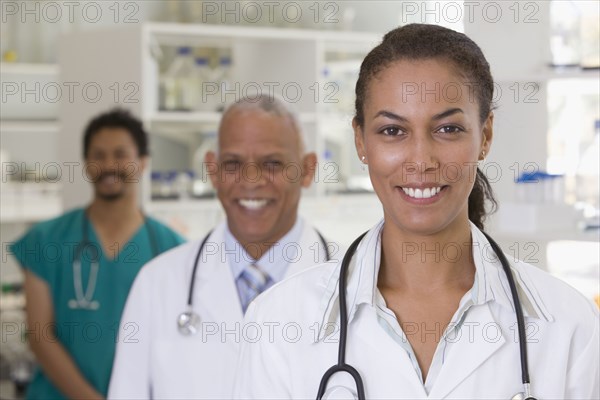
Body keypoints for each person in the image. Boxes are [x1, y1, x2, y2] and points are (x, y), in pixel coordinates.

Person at [233, 24, 599, 399]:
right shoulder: (277, 322)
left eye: (448, 129)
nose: (421, 160)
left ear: (485, 136)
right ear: (361, 141)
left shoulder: (569, 326)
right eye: (392, 131)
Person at [108, 94, 337, 399]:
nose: (251, 180)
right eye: (233, 163)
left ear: (307, 170)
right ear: (213, 171)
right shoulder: (157, 284)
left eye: (272, 163)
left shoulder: (356, 283)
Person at [9, 109, 185, 399]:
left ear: (142, 163)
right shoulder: (47, 240)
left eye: (120, 154)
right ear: (86, 163)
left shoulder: (171, 248)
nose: (108, 165)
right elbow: (40, 336)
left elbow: (174, 342)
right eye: (98, 155)